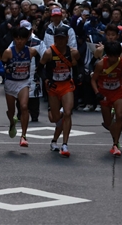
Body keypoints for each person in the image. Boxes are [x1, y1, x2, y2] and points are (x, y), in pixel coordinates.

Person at [40, 26, 80, 158]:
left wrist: (79, 78)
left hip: (67, 85)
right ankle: (54, 139)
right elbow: (41, 68)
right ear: (54, 38)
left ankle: (65, 144)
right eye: (57, 38)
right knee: (55, 118)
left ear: (67, 39)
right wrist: (45, 80)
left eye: (62, 38)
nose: (60, 41)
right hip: (53, 87)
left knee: (68, 113)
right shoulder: (49, 53)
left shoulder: (73, 52)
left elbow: (78, 66)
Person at [92, 41, 122, 156]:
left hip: (117, 92)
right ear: (107, 55)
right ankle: (115, 137)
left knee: (120, 116)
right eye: (111, 56)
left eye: (116, 56)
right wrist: (97, 92)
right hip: (104, 94)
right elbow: (93, 79)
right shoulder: (100, 65)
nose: (113, 59)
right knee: (108, 122)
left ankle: (115, 143)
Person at [2, 26, 38, 147]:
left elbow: (41, 62)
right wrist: (5, 69)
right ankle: (12, 122)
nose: (19, 41)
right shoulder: (8, 52)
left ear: (26, 39)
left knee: (24, 106)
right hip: (11, 83)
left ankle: (23, 136)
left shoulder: (32, 51)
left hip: (24, 82)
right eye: (17, 38)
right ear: (14, 39)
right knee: (11, 111)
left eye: (22, 38)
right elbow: (2, 66)